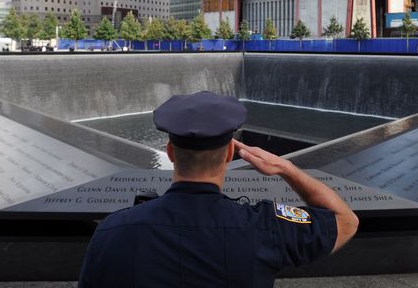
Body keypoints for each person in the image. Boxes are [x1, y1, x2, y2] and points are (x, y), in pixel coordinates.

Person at [79, 91, 359, 287]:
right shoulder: (266, 228)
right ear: (229, 154)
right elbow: (346, 220)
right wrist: (285, 168)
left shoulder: (112, 232)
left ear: (170, 152)